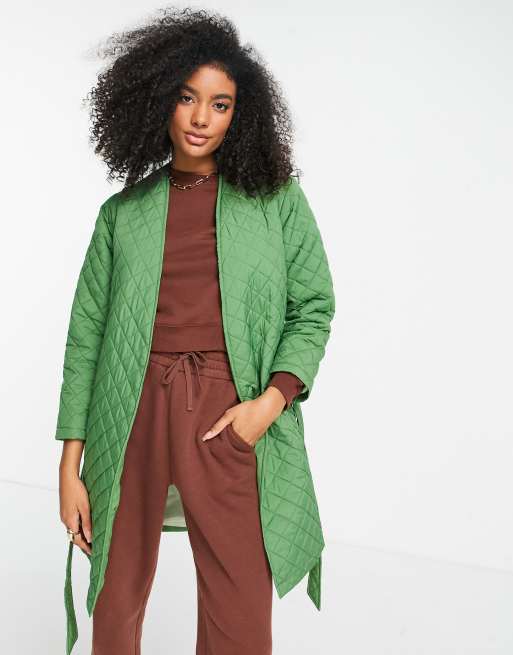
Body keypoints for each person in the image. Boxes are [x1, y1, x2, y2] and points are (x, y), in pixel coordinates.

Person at [55, 7, 336, 655]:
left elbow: (314, 305)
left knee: (240, 607)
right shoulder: (122, 215)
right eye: (187, 97)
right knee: (115, 596)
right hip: (130, 409)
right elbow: (85, 340)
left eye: (220, 104)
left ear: (242, 115)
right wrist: (69, 468)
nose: (201, 117)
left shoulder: (275, 201)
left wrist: (269, 403)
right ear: (159, 98)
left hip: (228, 408)